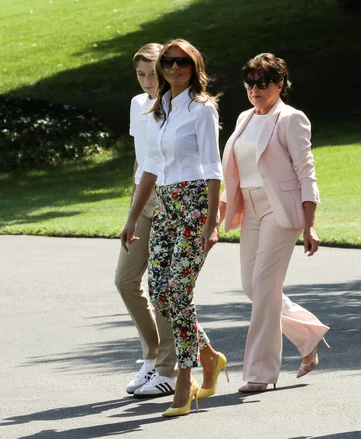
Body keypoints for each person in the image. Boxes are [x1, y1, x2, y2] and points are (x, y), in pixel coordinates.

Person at [120, 39, 228, 417]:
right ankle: (209, 356)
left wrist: (212, 223)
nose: (174, 67)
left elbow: (214, 169)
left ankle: (186, 378)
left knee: (178, 290)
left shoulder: (202, 109)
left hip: (196, 203)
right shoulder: (157, 110)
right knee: (161, 294)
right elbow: (149, 166)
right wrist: (133, 217)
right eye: (169, 61)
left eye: (182, 61)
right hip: (165, 205)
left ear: (194, 66)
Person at [219, 53, 329, 393]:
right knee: (253, 288)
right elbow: (235, 173)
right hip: (249, 208)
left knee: (265, 287)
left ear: (280, 85)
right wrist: (220, 210)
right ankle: (308, 336)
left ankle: (260, 372)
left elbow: (306, 173)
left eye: (262, 83)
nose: (254, 89)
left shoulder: (291, 119)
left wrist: (310, 224)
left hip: (280, 210)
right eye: (250, 82)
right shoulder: (244, 119)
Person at [114, 42, 178, 399]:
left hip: (173, 196)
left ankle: (167, 367)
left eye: (151, 74)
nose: (146, 81)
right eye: (139, 74)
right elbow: (140, 160)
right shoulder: (138, 104)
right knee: (125, 279)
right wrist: (132, 206)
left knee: (164, 287)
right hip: (144, 195)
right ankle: (153, 354)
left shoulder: (178, 106)